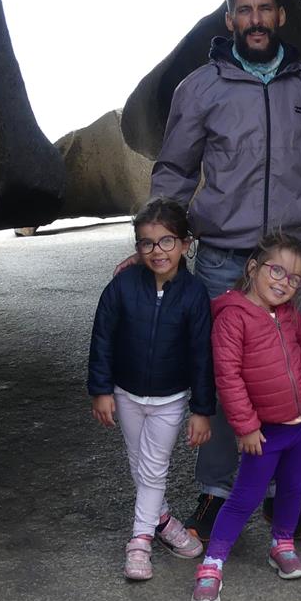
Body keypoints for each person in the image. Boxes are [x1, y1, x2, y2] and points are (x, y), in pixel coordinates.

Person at [150, 0, 301, 543]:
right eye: (244, 10)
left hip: (291, 267)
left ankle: (283, 497)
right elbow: (175, 173)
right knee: (223, 381)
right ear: (230, 20)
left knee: (289, 381)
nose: (255, 19)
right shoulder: (200, 88)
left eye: (265, 9)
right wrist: (156, 243)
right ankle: (216, 494)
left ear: (280, 18)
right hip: (225, 262)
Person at [190, 234, 301, 601]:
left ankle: (281, 544)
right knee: (244, 497)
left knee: (291, 488)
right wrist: (246, 427)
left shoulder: (288, 313)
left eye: (295, 278)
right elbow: (229, 378)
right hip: (265, 431)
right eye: (277, 271)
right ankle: (212, 564)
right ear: (253, 268)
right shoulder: (232, 317)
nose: (284, 283)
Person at [88, 197, 215, 581]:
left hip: (170, 399)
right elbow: (102, 340)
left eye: (166, 241)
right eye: (147, 242)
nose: (157, 251)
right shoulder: (122, 287)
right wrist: (101, 389)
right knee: (139, 465)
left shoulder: (194, 296)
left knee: (154, 470)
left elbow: (201, 357)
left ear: (185, 244)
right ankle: (162, 520)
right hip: (126, 394)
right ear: (137, 246)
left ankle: (139, 542)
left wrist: (202, 409)